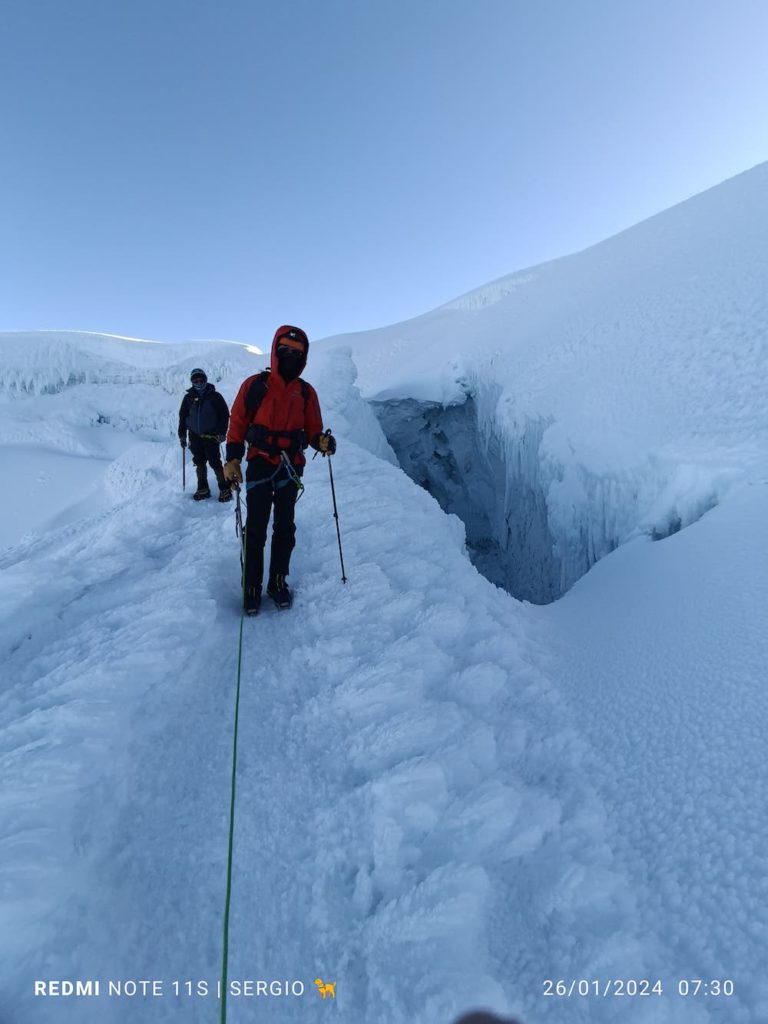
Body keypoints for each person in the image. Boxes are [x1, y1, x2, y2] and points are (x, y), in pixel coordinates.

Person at [223, 326, 336, 614]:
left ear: (304, 358)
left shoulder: (306, 393)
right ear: (275, 351)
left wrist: (321, 442)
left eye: (296, 353)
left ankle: (277, 581)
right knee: (257, 527)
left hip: (290, 465)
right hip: (260, 461)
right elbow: (237, 422)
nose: (290, 357)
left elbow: (312, 430)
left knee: (285, 527)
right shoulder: (255, 386)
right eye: (285, 351)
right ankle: (251, 585)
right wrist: (232, 458)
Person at [178, 368, 232, 502]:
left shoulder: (215, 396)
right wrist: (182, 435)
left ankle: (224, 488)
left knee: (215, 461)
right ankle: (203, 487)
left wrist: (221, 432)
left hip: (211, 435)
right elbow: (183, 416)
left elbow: (224, 415)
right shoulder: (188, 398)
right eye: (195, 380)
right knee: (199, 461)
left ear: (205, 379)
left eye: (200, 379)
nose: (198, 382)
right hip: (194, 436)